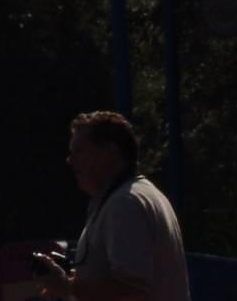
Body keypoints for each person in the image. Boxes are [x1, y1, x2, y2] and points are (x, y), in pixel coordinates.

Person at [33, 111, 190, 301]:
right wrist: (77, 279)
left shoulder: (125, 203)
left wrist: (68, 286)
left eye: (80, 151)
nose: (70, 161)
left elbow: (132, 288)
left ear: (111, 152)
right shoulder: (133, 195)